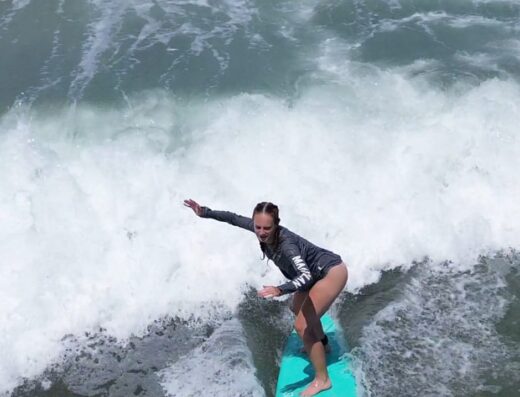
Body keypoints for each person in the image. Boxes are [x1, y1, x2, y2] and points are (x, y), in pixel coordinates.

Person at [183, 199, 348, 397]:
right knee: (297, 309)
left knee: (302, 325)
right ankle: (323, 344)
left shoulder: (288, 245)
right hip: (313, 273)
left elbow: (306, 276)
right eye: (257, 227)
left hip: (330, 272)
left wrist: (280, 289)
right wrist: (204, 212)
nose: (261, 232)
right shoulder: (258, 229)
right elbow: (233, 218)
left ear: (276, 224)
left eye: (267, 228)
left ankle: (323, 380)